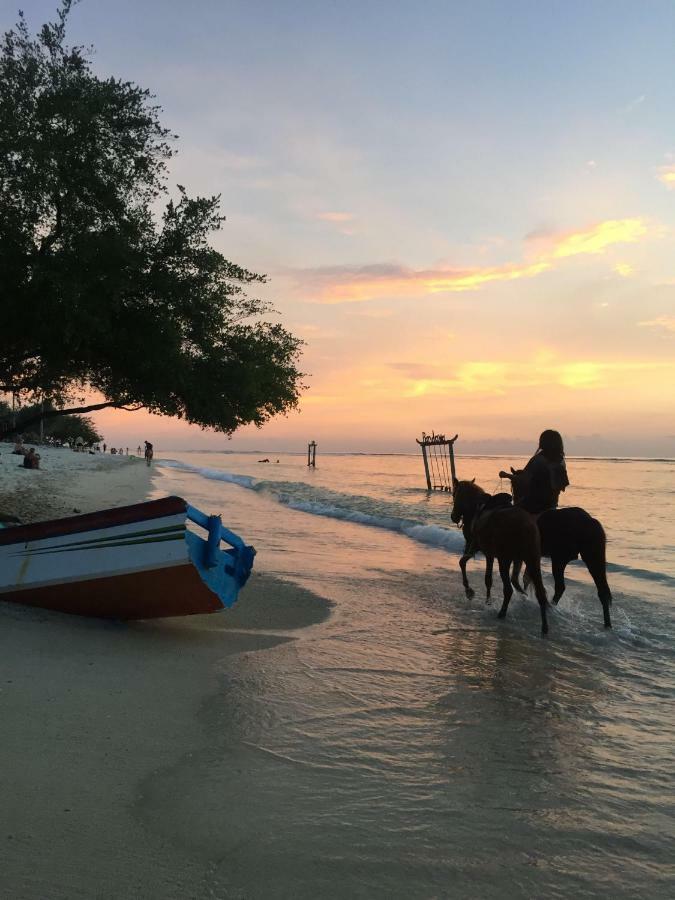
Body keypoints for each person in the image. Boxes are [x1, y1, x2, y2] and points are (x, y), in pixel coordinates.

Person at [518, 429, 569, 514]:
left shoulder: (538, 460)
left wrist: (508, 476)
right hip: (552, 505)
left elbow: (524, 479)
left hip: (533, 505)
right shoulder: (561, 462)